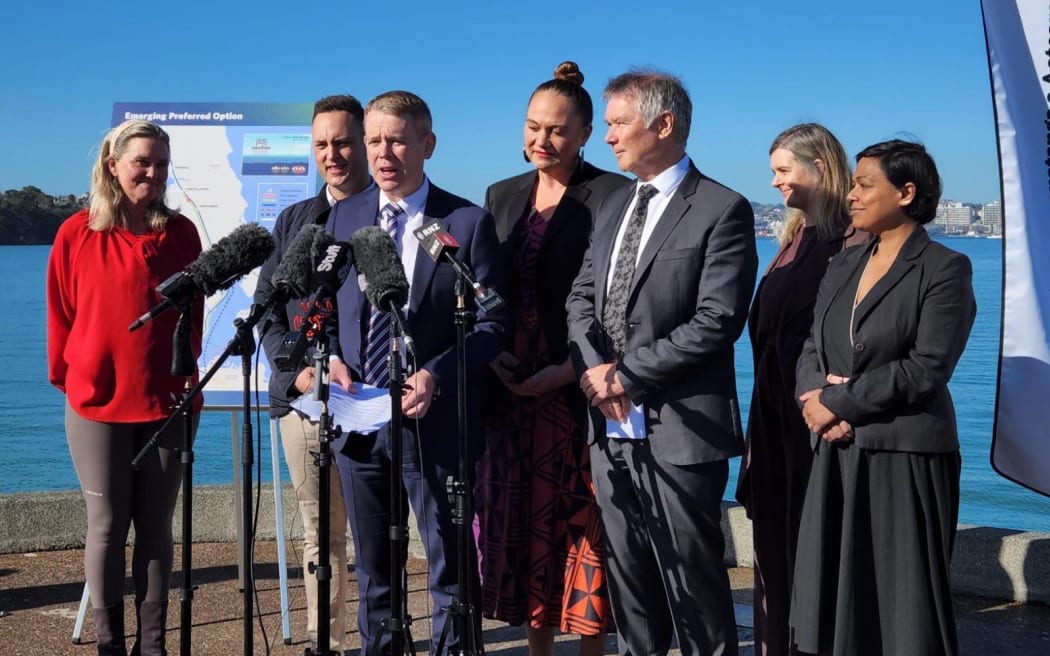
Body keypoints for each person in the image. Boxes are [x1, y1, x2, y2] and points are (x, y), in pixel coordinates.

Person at [566, 70, 758, 656]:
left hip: (681, 429)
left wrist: (626, 374)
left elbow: (718, 320)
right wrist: (599, 374)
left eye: (620, 123)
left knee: (693, 588)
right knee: (631, 586)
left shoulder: (723, 208)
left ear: (664, 124)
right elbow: (580, 298)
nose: (609, 138)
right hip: (609, 426)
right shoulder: (614, 204)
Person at [325, 90, 509, 654]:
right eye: (374, 140)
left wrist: (434, 373)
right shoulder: (345, 215)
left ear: (427, 145)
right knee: (374, 572)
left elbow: (494, 320)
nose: (383, 153)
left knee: (450, 569)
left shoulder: (466, 221)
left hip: (436, 426)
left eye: (397, 140)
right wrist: (328, 355)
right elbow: (325, 309)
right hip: (360, 421)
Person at [791, 140, 976, 655]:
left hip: (905, 455)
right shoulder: (843, 264)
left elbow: (927, 368)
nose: (851, 195)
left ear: (906, 192)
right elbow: (812, 344)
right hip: (835, 449)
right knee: (833, 603)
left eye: (864, 184)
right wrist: (814, 400)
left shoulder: (945, 268)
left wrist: (840, 404)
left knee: (902, 609)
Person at [476, 61, 628, 656]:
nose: (542, 140)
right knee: (518, 527)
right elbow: (488, 290)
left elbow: (615, 300)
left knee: (582, 529)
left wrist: (570, 368)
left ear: (586, 134)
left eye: (558, 130)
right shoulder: (501, 194)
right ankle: (537, 649)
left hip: (576, 389)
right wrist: (495, 360)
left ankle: (592, 650)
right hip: (512, 392)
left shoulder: (612, 194)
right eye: (533, 126)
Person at [47, 120, 203, 656]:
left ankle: (152, 646)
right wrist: (77, 380)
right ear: (113, 165)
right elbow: (62, 314)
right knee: (108, 526)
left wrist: (186, 384)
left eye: (161, 163)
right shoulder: (76, 233)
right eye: (143, 161)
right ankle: (110, 643)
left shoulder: (182, 234)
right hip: (95, 405)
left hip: (167, 403)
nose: (153, 173)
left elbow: (193, 321)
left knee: (157, 528)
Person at [734, 123, 862, 656]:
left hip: (809, 418)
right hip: (772, 417)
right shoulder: (794, 239)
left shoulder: (848, 241)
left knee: (809, 550)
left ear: (822, 168)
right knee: (774, 552)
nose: (776, 183)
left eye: (785, 171)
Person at [254, 94, 372, 654]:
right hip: (302, 403)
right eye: (323, 143)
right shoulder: (294, 221)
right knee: (317, 535)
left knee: (375, 537)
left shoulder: (388, 215)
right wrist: (299, 373)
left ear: (365, 142)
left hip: (371, 402)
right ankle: (322, 642)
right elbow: (268, 310)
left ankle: (379, 638)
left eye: (344, 141)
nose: (334, 154)